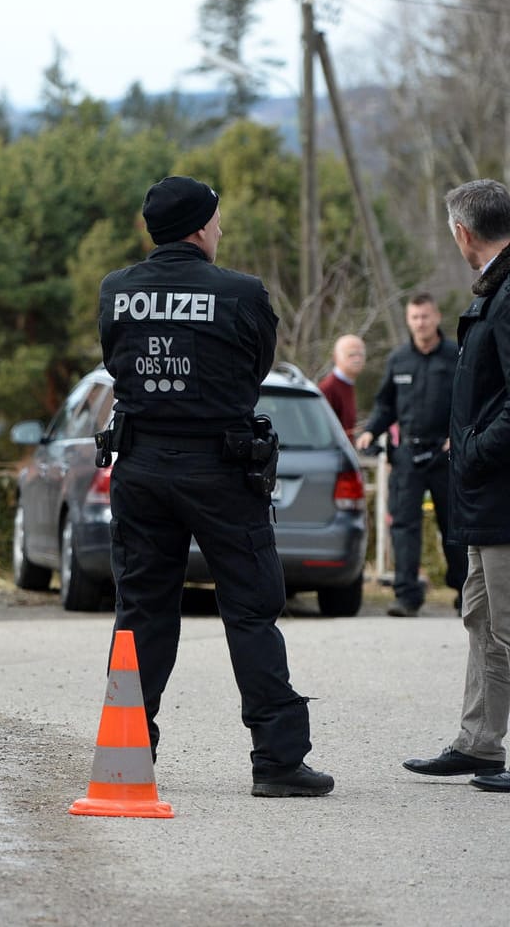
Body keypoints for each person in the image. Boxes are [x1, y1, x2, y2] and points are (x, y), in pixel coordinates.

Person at [97, 175, 333, 798]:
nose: (221, 229)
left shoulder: (116, 291)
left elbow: (113, 361)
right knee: (251, 611)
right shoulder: (242, 293)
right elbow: (255, 367)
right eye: (218, 220)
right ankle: (279, 762)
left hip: (141, 467)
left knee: (141, 609)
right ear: (200, 228)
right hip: (222, 470)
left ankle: (125, 757)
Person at [404, 178, 510, 791]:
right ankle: (479, 743)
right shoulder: (495, 291)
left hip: (501, 492)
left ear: (462, 234)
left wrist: (472, 452)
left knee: (508, 622)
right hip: (485, 497)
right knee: (481, 616)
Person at [356, 294, 466, 616]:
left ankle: (464, 593)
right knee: (404, 526)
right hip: (406, 455)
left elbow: (469, 400)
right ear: (408, 320)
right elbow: (385, 404)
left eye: (426, 317)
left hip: (446, 454)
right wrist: (370, 431)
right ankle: (406, 596)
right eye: (415, 317)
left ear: (436, 317)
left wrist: (457, 436)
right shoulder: (399, 359)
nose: (420, 323)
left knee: (455, 526)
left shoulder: (455, 355)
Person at [321, 334, 365, 434]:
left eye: (361, 354)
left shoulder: (348, 384)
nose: (357, 359)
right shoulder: (328, 388)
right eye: (351, 355)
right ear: (336, 357)